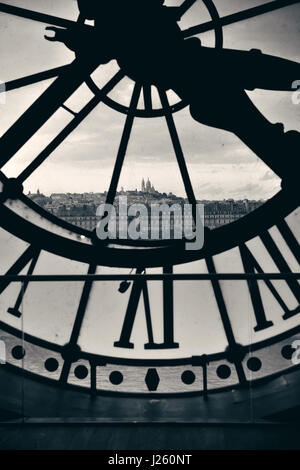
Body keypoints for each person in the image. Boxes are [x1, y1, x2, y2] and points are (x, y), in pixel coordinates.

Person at [45, 0, 300, 182]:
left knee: (240, 102)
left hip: (172, 66)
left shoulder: (115, 26)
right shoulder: (138, 29)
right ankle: (286, 158)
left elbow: (105, 45)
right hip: (178, 62)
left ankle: (286, 159)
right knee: (248, 73)